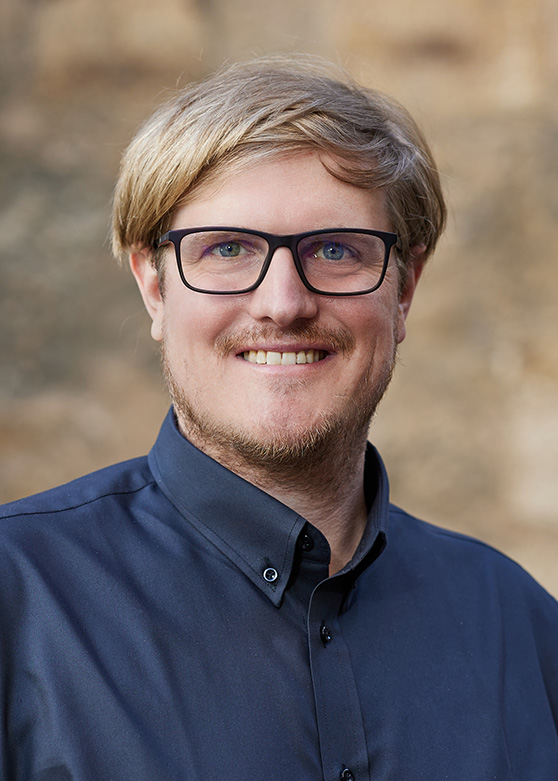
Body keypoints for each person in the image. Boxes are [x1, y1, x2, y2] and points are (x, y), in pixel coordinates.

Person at [1, 55, 557, 781]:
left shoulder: (519, 625)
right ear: (154, 288)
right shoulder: (19, 601)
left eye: (336, 249)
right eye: (228, 249)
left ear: (405, 290)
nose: (283, 304)